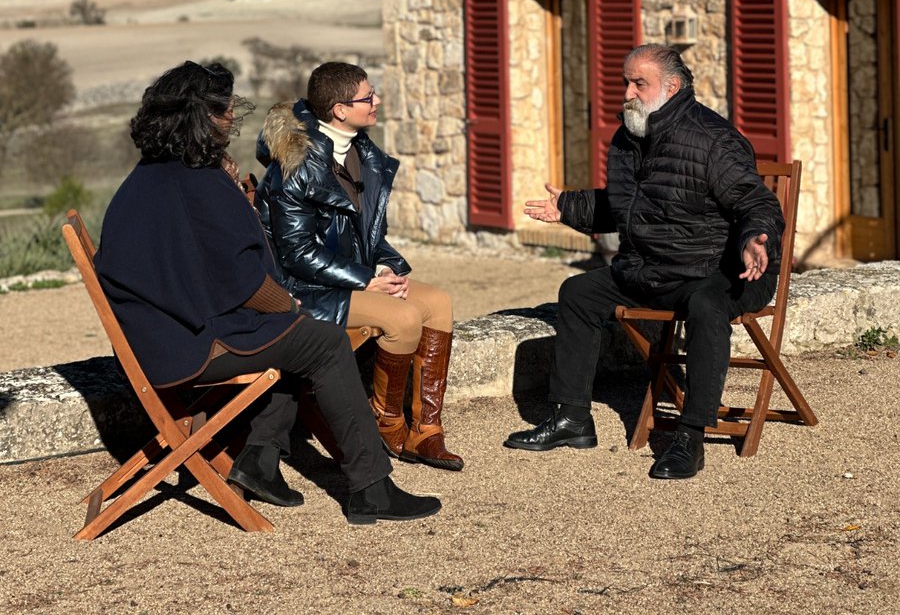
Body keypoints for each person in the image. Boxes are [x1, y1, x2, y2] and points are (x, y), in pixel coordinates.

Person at [94, 60, 441, 524]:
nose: (228, 122)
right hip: (190, 346)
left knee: (293, 335)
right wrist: (288, 303)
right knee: (323, 340)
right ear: (200, 119)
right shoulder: (197, 182)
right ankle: (372, 488)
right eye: (221, 113)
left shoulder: (154, 176)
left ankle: (258, 461)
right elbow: (241, 277)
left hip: (164, 339)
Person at [504, 43, 784, 479]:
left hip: (719, 268)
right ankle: (572, 419)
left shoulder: (712, 138)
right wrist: (568, 209)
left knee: (707, 307)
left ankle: (689, 436)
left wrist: (755, 239)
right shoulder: (628, 136)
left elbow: (755, 200)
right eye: (626, 83)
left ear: (671, 87)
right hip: (652, 267)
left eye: (639, 83)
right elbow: (623, 206)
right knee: (578, 291)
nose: (628, 93)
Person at [254, 61, 463, 471]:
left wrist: (385, 268)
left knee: (438, 302)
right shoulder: (295, 166)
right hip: (305, 290)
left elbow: (366, 234)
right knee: (403, 318)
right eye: (368, 98)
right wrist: (367, 279)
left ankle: (425, 430)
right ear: (339, 110)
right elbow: (296, 254)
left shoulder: (363, 154)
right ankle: (387, 423)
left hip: (351, 278)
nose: (377, 102)